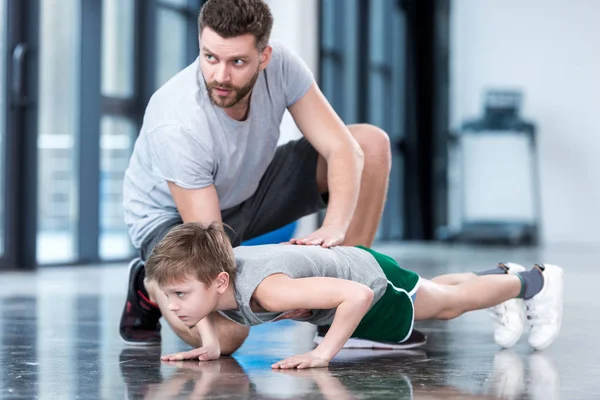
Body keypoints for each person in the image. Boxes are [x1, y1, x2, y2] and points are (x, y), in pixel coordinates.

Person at [120, 0, 397, 351]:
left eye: (237, 62)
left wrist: (335, 228)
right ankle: (151, 280)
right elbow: (211, 245)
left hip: (250, 189)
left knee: (370, 144)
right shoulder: (177, 122)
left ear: (264, 57)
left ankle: (347, 314)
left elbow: (343, 149)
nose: (220, 76)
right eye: (210, 58)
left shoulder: (281, 65)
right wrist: (282, 296)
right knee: (229, 336)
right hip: (180, 225)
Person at [142, 222, 564, 369]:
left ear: (218, 281)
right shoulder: (216, 282)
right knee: (434, 289)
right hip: (354, 267)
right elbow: (214, 312)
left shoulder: (269, 291)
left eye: (180, 293)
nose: (173, 306)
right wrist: (211, 346)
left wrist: (323, 354)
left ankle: (535, 281)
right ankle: (501, 276)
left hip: (371, 281)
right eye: (169, 294)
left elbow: (357, 296)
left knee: (447, 306)